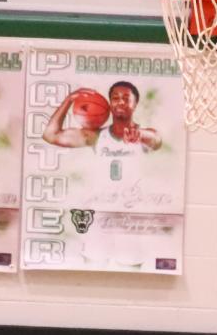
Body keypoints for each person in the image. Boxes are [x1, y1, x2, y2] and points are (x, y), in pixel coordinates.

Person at [40, 80, 163, 268]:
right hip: (99, 216)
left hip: (130, 217)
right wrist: (69, 99)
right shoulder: (95, 136)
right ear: (109, 104)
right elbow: (51, 135)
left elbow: (156, 140)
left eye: (126, 98)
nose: (120, 102)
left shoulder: (145, 135)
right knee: (92, 268)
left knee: (131, 274)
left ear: (135, 104)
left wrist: (140, 135)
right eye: (115, 98)